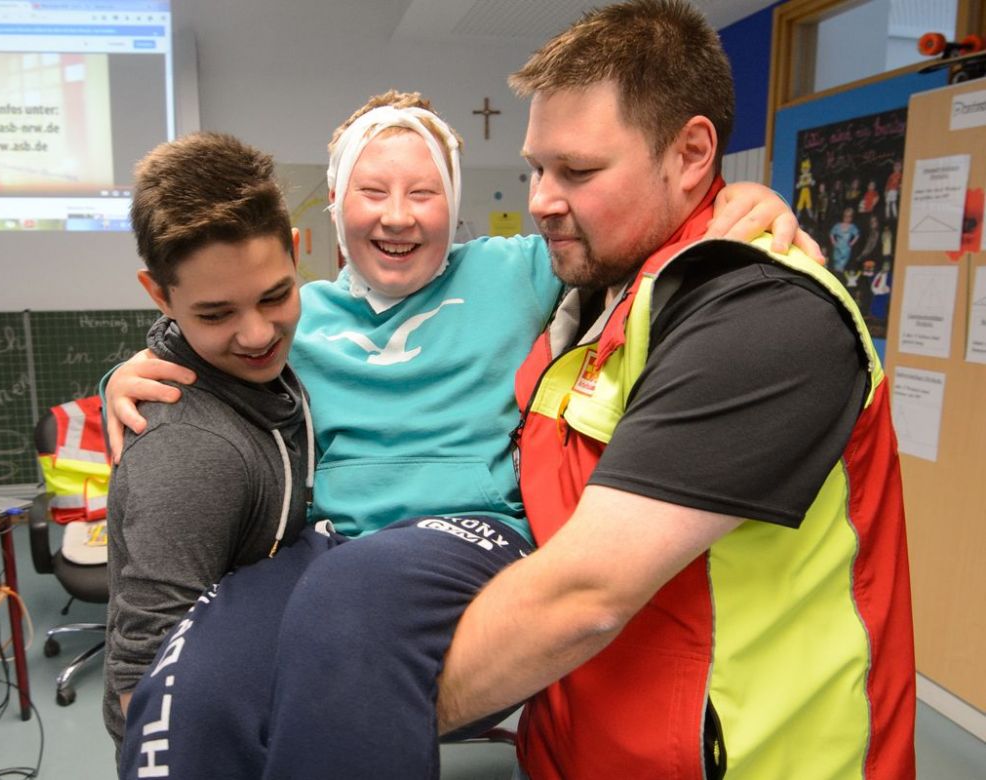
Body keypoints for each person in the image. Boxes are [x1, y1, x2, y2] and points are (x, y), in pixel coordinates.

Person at [108, 94, 815, 779]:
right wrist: (128, 371)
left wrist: (744, 203)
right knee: (194, 674)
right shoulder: (294, 314)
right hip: (330, 545)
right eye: (373, 190)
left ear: (454, 204)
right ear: (333, 207)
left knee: (350, 602)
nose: (397, 215)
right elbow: (206, 336)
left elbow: (632, 236)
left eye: (424, 192)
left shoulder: (518, 270)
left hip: (471, 530)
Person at [433, 2, 915, 779]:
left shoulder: (766, 315)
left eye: (578, 171)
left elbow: (586, 595)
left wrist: (370, 711)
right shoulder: (594, 287)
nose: (541, 199)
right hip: (572, 746)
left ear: (692, 153)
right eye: (536, 167)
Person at [101, 131, 315, 750]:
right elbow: (143, 675)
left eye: (275, 295)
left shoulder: (281, 368)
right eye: (216, 314)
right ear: (159, 295)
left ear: (296, 253)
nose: (257, 335)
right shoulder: (190, 451)